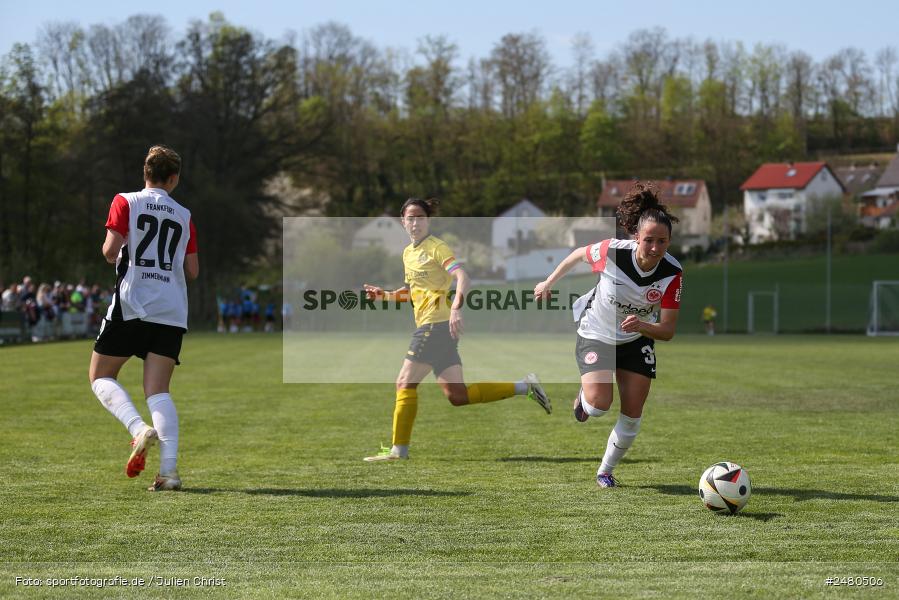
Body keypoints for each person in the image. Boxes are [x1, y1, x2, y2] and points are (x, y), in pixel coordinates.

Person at [362, 197, 552, 462]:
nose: (415, 222)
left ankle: (398, 451)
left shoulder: (436, 247)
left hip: (435, 325)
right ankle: (526, 387)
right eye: (410, 218)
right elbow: (411, 292)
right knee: (458, 396)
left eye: (420, 217)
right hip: (436, 328)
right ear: (402, 222)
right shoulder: (408, 253)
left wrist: (456, 307)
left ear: (428, 220)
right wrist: (384, 295)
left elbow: (463, 276)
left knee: (404, 383)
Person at [534, 182, 683, 488]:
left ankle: (605, 472)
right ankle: (583, 400)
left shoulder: (672, 273)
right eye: (649, 240)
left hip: (636, 338)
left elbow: (667, 330)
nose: (655, 248)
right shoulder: (612, 252)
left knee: (633, 413)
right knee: (599, 405)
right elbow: (577, 255)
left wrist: (641, 326)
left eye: (663, 242)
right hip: (596, 333)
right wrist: (548, 282)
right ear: (636, 237)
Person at [88, 145, 199, 492]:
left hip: (134, 303)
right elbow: (192, 271)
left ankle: (138, 428)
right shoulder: (184, 214)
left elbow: (109, 252)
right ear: (174, 178)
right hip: (171, 310)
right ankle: (169, 473)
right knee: (158, 391)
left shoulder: (126, 201)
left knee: (100, 375)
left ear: (145, 173)